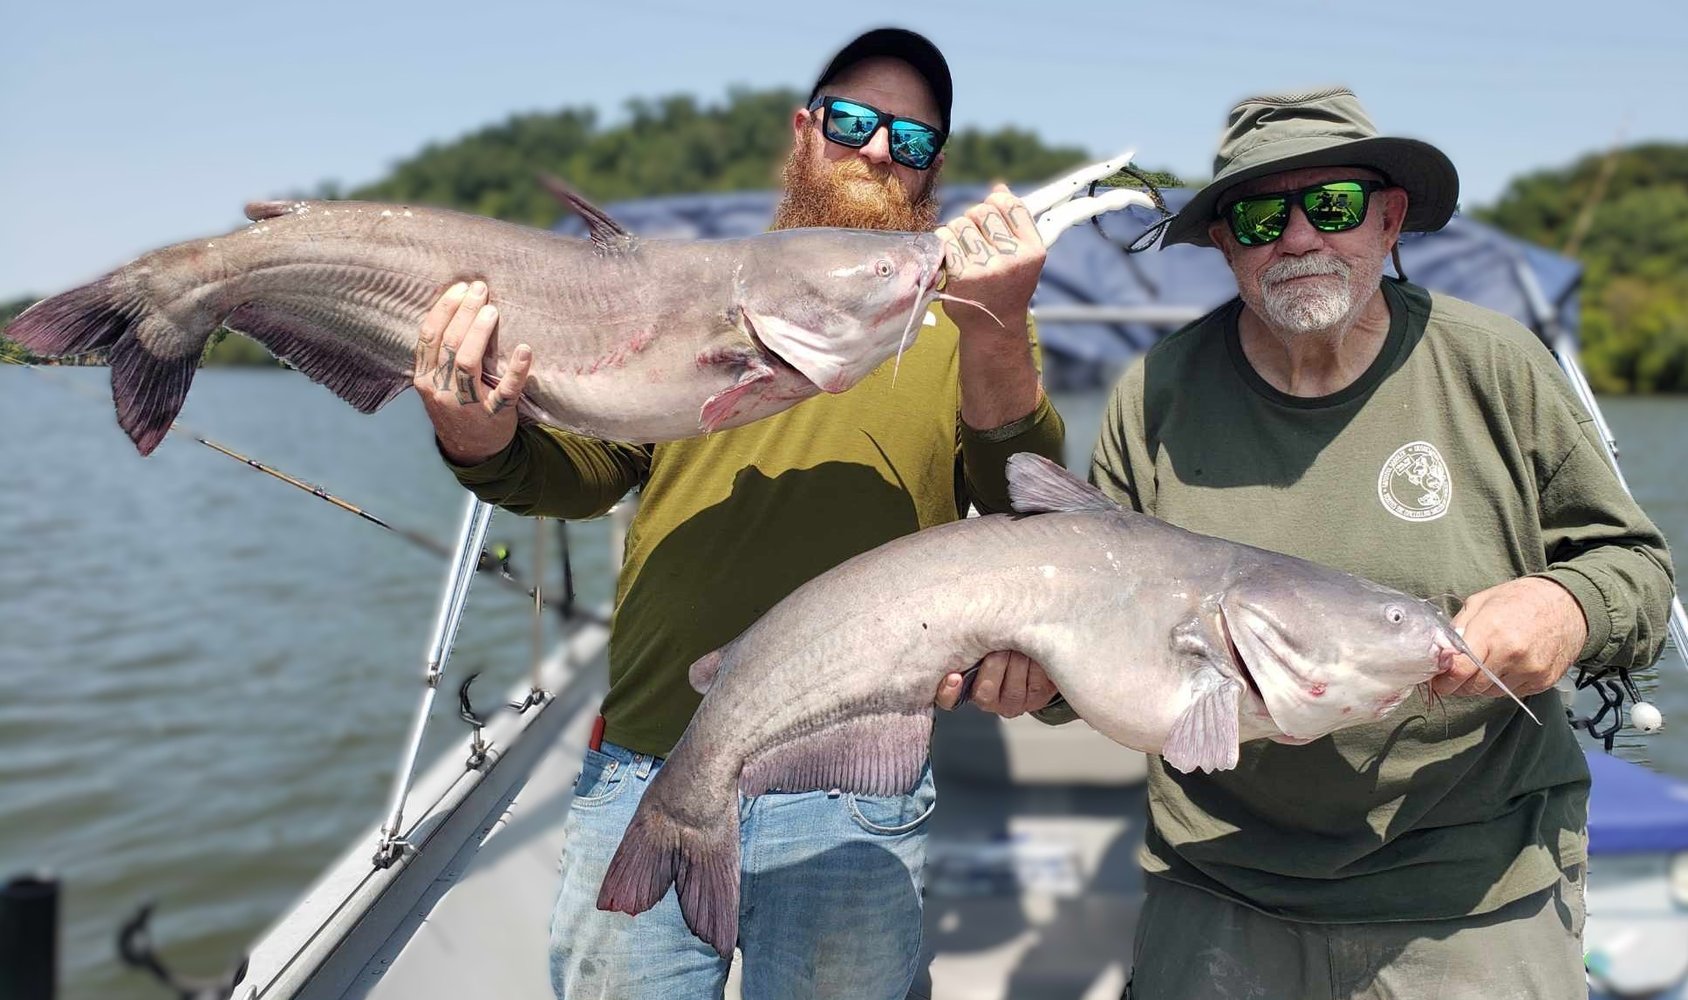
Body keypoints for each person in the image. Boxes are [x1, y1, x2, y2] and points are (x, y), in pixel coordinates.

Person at [409, 28, 1065, 1000]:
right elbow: (578, 473)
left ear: (933, 171)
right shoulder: (690, 289)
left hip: (853, 784)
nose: (878, 150)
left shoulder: (968, 321)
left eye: (912, 140)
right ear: (803, 133)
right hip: (647, 761)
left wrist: (1000, 329)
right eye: (851, 121)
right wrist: (473, 430)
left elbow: (1029, 516)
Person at [1043, 87, 1676, 998]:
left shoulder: (1497, 365)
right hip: (1221, 883)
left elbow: (1638, 572)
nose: (1298, 238)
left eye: (1331, 207)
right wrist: (1038, 678)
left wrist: (1569, 606)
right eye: (1262, 216)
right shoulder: (1156, 396)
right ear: (1225, 244)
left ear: (1388, 220)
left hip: (1471, 883)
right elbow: (1089, 651)